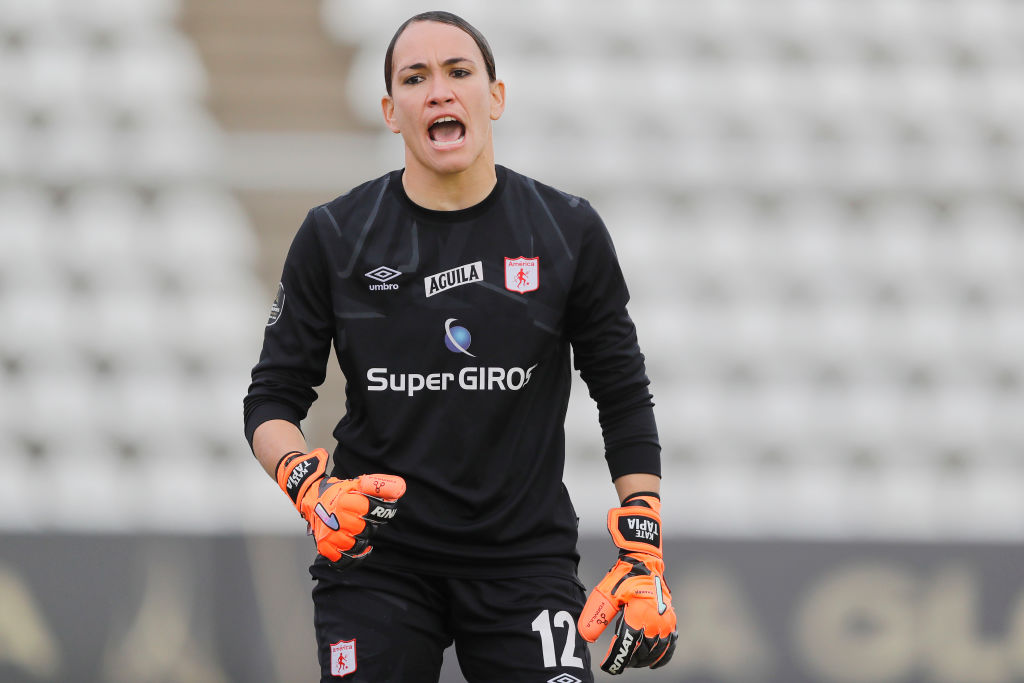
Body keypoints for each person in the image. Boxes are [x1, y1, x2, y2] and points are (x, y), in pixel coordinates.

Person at [243, 10, 677, 682]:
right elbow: (270, 400)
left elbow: (622, 396)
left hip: (524, 561)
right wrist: (308, 483)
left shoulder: (567, 231)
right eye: (415, 78)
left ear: (494, 96)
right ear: (391, 111)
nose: (439, 91)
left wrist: (645, 554)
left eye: (458, 71)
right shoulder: (336, 236)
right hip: (376, 560)